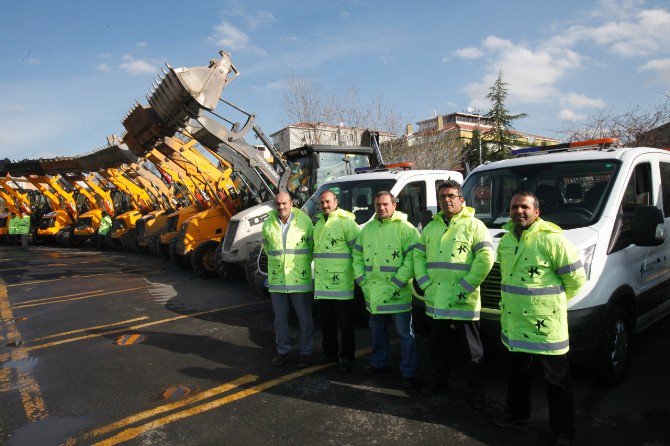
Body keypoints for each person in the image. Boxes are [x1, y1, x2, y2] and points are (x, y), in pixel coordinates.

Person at [492, 191, 586, 446]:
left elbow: (577, 280)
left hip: (545, 323)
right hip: (514, 321)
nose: (518, 212)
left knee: (556, 381)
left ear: (536, 211)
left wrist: (552, 306)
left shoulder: (552, 240)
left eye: (524, 207)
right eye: (514, 207)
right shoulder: (507, 240)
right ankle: (518, 414)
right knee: (517, 373)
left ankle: (563, 431)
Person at [414, 180, 494, 410]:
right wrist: (424, 283)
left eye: (451, 195)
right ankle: (438, 381)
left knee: (472, 351)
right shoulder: (431, 227)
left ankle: (476, 393)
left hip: (463, 300)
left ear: (461, 199)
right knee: (436, 346)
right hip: (436, 297)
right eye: (442, 197)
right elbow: (418, 256)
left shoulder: (474, 225)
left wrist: (465, 287)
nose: (446, 200)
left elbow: (486, 259)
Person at [352, 191, 420, 389]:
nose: (381, 208)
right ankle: (379, 363)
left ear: (394, 205)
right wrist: (361, 281)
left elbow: (412, 259)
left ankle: (409, 371)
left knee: (405, 334)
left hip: (398, 293)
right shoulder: (367, 230)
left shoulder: (406, 229)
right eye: (378, 205)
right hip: (373, 293)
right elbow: (357, 256)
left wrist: (397, 283)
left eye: (385, 204)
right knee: (378, 332)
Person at [262, 191, 315, 368]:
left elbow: (312, 246)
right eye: (278, 204)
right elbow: (267, 247)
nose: (281, 207)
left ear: (292, 203)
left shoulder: (304, 221)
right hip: (277, 280)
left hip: (299, 278)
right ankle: (282, 351)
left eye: (284, 203)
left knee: (304, 319)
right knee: (280, 319)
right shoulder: (268, 223)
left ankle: (306, 353)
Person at [313, 190, 361, 374]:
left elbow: (358, 251)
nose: (325, 205)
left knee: (346, 325)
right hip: (323, 284)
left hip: (342, 284)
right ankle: (329, 354)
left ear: (336, 202)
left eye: (328, 202)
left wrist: (358, 277)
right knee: (327, 324)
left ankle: (347, 358)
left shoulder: (346, 223)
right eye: (322, 202)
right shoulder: (318, 224)